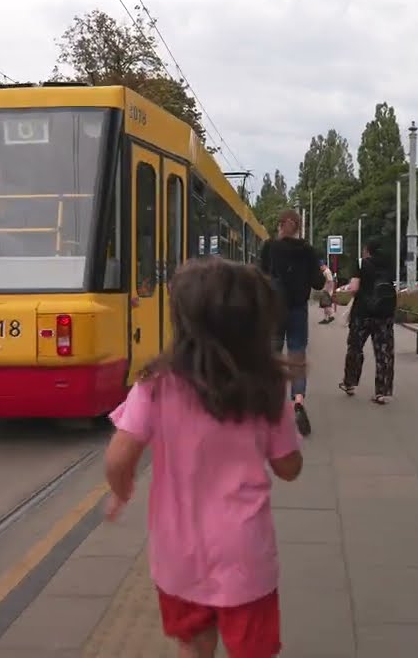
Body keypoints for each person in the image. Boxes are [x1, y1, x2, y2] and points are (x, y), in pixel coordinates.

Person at [103, 257, 304, 658]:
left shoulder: (156, 385)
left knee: (193, 645)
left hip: (179, 556)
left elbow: (119, 456)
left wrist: (121, 490)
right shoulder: (266, 388)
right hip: (246, 558)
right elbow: (289, 468)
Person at [258, 208, 325, 436]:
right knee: (297, 354)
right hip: (298, 309)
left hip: (274, 309)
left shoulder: (269, 247)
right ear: (298, 227)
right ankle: (297, 401)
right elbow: (317, 283)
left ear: (280, 225)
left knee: (274, 355)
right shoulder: (308, 250)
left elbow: (260, 277)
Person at [338, 238, 396, 404]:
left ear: (367, 250)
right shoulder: (388, 265)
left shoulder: (361, 264)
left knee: (355, 348)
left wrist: (349, 289)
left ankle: (349, 383)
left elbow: (355, 288)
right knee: (384, 351)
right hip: (384, 314)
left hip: (362, 313)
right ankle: (382, 392)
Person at [316, 260, 337, 324]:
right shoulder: (325, 271)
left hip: (326, 291)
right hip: (326, 290)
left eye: (321, 266)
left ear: (323, 265)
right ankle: (326, 318)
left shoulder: (327, 272)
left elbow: (330, 281)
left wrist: (328, 291)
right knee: (325, 305)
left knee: (327, 304)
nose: (320, 268)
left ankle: (332, 315)